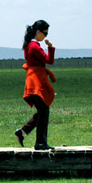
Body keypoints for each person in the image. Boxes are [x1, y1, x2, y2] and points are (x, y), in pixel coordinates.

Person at [15, 19, 57, 150]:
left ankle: (22, 133)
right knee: (44, 110)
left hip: (33, 80)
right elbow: (49, 60)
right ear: (38, 32)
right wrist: (50, 47)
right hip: (36, 82)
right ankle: (40, 143)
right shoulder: (34, 46)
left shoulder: (29, 45)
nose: (45, 36)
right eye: (45, 33)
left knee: (43, 110)